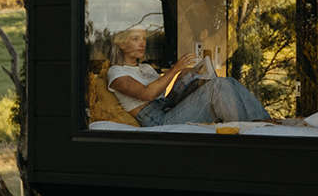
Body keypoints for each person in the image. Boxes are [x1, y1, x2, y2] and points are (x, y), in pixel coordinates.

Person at [106, 28, 271, 127]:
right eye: (135, 39)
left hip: (168, 109)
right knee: (218, 87)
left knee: (227, 81)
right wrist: (175, 69)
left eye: (143, 39)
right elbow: (147, 94)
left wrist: (187, 78)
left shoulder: (145, 68)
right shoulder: (116, 72)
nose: (142, 43)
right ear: (121, 43)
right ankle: (246, 134)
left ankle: (264, 123)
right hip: (158, 121)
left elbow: (167, 97)